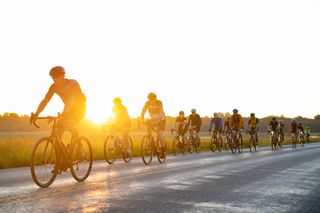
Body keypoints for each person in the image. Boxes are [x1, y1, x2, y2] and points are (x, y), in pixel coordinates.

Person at [31, 66, 86, 140]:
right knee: (57, 129)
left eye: (56, 77)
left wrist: (63, 114)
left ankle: (79, 148)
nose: (54, 79)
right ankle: (60, 150)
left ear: (63, 75)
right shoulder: (54, 87)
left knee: (70, 124)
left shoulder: (72, 83)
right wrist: (37, 113)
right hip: (68, 108)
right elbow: (45, 101)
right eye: (52, 77)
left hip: (79, 109)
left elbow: (71, 101)